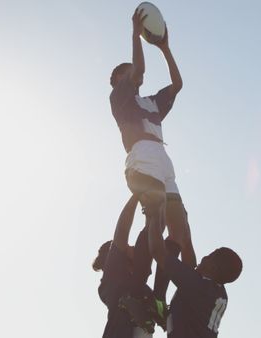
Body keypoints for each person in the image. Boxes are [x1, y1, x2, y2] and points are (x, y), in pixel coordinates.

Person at [109, 7, 195, 312]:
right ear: (119, 79)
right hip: (142, 157)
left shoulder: (152, 103)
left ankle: (164, 296)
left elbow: (178, 85)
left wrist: (165, 48)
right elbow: (140, 72)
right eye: (127, 71)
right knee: (156, 228)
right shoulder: (120, 97)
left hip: (162, 157)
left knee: (181, 234)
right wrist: (135, 35)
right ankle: (140, 292)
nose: (133, 73)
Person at [147, 209, 243, 338]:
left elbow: (157, 250)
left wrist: (155, 212)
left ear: (213, 268)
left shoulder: (198, 286)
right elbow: (186, 246)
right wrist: (183, 222)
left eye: (209, 256)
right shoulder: (213, 290)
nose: (203, 258)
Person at [93, 195, 155, 337]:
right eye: (127, 246)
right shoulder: (112, 280)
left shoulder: (139, 280)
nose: (132, 245)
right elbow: (122, 230)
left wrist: (151, 212)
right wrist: (137, 194)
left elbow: (148, 237)